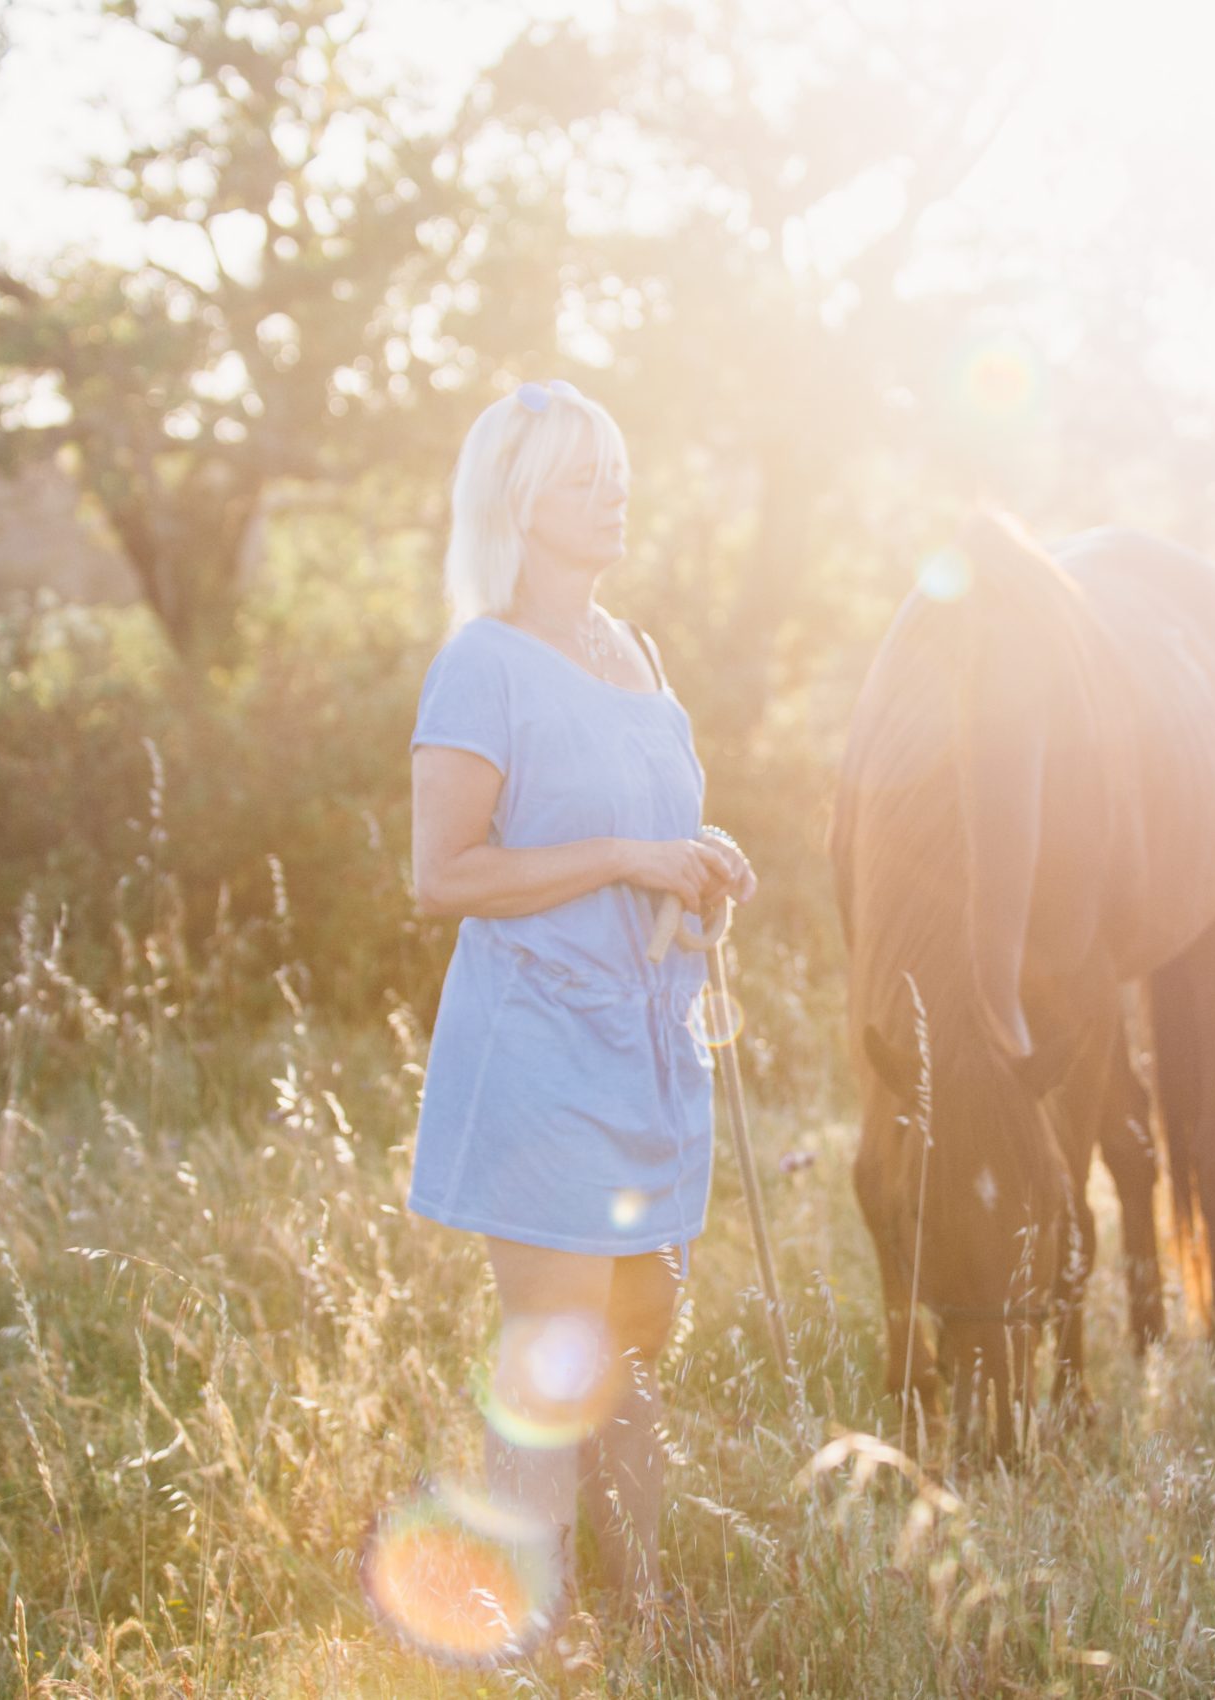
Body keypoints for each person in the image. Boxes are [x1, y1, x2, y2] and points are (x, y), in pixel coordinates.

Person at [405, 377, 756, 1642]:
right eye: (578, 478)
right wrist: (624, 854)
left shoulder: (635, 649)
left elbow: (646, 831)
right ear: (517, 502)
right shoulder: (481, 660)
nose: (612, 493)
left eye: (615, 469)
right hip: (540, 1051)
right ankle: (522, 1634)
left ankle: (647, 1612)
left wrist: (698, 855)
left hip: (644, 1048)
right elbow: (444, 875)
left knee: (631, 1348)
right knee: (551, 1349)